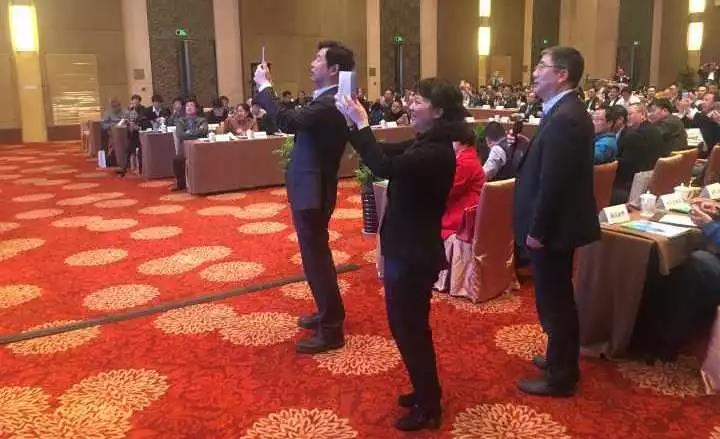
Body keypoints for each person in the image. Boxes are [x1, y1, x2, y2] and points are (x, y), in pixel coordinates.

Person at [337, 77, 472, 431]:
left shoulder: (433, 152)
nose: (410, 106)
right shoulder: (426, 141)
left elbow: (384, 167)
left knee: (409, 328)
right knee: (410, 327)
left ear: (438, 111)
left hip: (413, 252)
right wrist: (354, 124)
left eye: (418, 101)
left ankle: (429, 406)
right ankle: (426, 390)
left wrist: (362, 126)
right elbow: (383, 151)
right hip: (410, 247)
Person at [254, 41, 354, 354]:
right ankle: (328, 313)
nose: (312, 63)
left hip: (313, 189)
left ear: (333, 69)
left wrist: (265, 87)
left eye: (317, 59)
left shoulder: (330, 103)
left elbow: (288, 121)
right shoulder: (328, 99)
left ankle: (332, 327)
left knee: (316, 259)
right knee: (316, 257)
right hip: (311, 186)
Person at [513, 46, 600, 397]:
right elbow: (552, 163)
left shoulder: (566, 117)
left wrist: (538, 230)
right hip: (555, 226)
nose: (534, 72)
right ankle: (558, 359)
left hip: (553, 229)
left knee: (556, 302)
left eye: (541, 66)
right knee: (554, 298)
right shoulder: (563, 111)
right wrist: (529, 147)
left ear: (561, 74)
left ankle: (561, 376)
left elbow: (555, 184)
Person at [611, 103, 665, 204]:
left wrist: (610, 160)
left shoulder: (635, 135)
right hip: (652, 178)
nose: (627, 118)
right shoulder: (653, 129)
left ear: (643, 115)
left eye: (630, 114)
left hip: (635, 183)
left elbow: (627, 164)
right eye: (627, 115)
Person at [440, 129, 485, 239]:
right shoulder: (469, 158)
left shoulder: (465, 163)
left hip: (462, 218)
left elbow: (446, 191)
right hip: (466, 212)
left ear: (461, 142)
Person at [172, 99, 208, 191]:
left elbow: (203, 132)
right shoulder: (180, 121)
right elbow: (180, 135)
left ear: (196, 109)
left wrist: (189, 132)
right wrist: (196, 132)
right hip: (185, 148)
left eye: (191, 105)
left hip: (199, 147)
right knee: (177, 159)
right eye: (187, 106)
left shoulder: (202, 120)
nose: (189, 107)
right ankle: (181, 184)